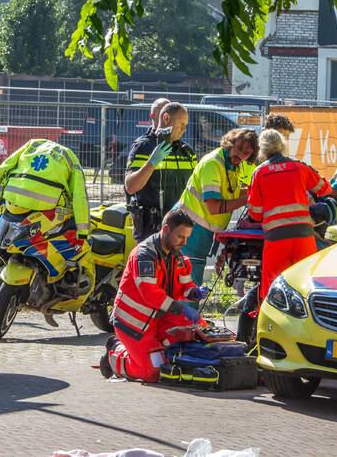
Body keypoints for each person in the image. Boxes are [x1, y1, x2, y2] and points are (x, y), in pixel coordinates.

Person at [101, 209, 210, 382]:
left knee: (193, 332)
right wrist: (182, 308)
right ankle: (115, 355)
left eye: (187, 237)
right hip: (134, 325)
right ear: (166, 229)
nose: (184, 242)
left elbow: (184, 284)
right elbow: (150, 295)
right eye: (181, 237)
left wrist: (194, 292)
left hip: (158, 317)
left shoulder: (175, 254)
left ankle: (158, 351)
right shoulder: (144, 255)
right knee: (152, 372)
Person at [247, 129, 334, 302]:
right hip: (304, 238)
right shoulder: (299, 166)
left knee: (273, 290)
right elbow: (326, 188)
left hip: (276, 241)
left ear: (262, 149)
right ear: (283, 145)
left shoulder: (259, 173)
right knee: (304, 286)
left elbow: (255, 214)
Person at [177, 128, 258, 285]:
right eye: (239, 148)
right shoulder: (213, 164)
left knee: (191, 282)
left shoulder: (232, 165)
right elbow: (213, 207)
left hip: (199, 231)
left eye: (247, 153)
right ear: (229, 143)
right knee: (188, 285)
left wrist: (255, 190)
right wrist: (250, 197)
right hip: (189, 231)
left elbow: (230, 194)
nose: (241, 155)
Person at [0, 138, 90, 237]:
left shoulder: (33, 144)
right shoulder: (70, 157)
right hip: (46, 209)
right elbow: (79, 197)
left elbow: (1, 169)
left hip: (12, 203)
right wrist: (83, 232)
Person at [123, 102, 197, 241]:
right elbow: (130, 187)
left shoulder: (187, 152)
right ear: (166, 118)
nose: (184, 129)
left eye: (186, 125)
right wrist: (152, 163)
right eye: (181, 124)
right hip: (151, 232)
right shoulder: (143, 147)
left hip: (181, 232)